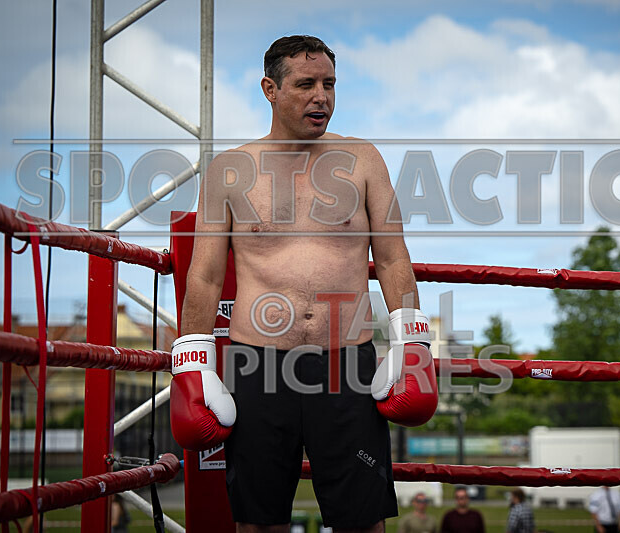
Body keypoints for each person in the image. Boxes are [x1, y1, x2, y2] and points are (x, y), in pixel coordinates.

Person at [169, 35, 438, 533]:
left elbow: (394, 255)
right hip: (259, 363)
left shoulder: (363, 160)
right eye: (306, 84)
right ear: (270, 88)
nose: (323, 97)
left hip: (347, 365)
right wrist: (193, 363)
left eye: (330, 84)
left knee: (362, 520)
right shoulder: (229, 170)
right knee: (258, 520)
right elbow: (204, 277)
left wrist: (412, 341)